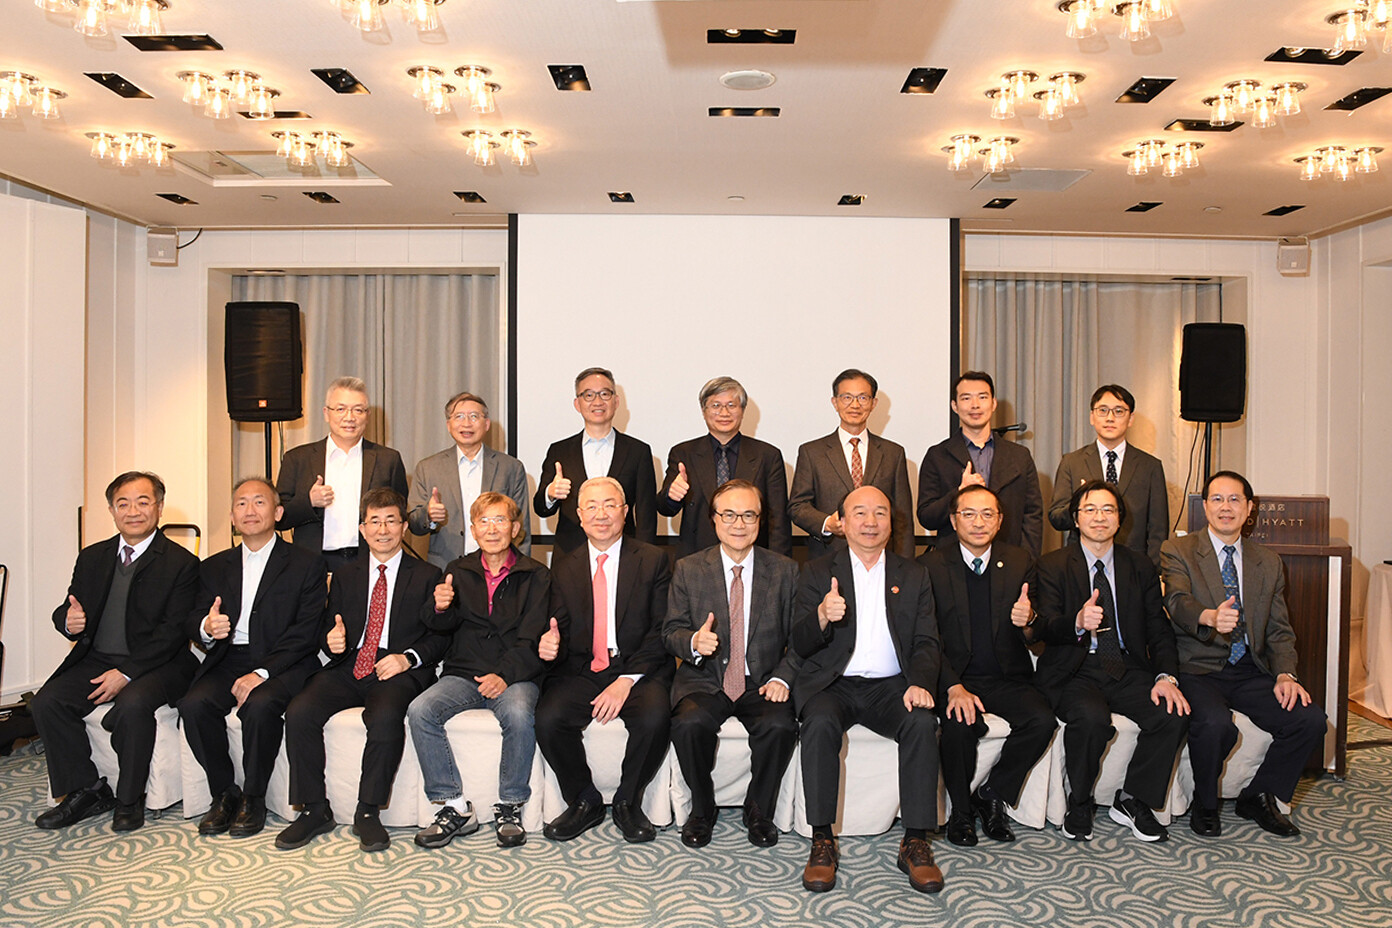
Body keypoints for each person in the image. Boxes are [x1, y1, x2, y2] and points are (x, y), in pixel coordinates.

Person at [277, 488, 447, 852]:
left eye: (391, 521)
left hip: (398, 666)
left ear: (404, 527)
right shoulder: (344, 575)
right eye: (375, 522)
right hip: (351, 662)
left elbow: (441, 636)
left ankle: (368, 810)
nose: (383, 530)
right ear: (362, 529)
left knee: (384, 716)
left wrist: (407, 658)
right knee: (300, 711)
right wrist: (332, 641)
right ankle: (313, 808)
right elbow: (330, 628)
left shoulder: (428, 575)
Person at [792, 486, 944, 894]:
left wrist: (919, 683)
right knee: (818, 723)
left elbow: (927, 641)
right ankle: (822, 839)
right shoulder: (817, 571)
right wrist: (821, 616)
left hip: (892, 686)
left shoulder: (914, 574)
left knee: (922, 723)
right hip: (834, 683)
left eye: (880, 513)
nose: (871, 522)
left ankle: (915, 841)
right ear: (842, 522)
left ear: (892, 522)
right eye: (860, 513)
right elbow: (799, 642)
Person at [1161, 471, 1327, 838]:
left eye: (1235, 499)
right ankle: (1205, 803)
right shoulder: (1179, 550)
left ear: (1249, 508)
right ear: (1205, 506)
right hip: (1198, 667)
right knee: (1215, 724)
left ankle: (1258, 795)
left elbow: (1279, 629)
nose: (1226, 507)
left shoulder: (1267, 561)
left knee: (1310, 720)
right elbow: (1176, 600)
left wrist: (1285, 674)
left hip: (1251, 669)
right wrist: (1209, 617)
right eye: (1217, 499)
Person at [31, 471, 199, 833]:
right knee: (47, 701)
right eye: (123, 504)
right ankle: (87, 790)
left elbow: (173, 633)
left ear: (159, 507)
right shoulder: (93, 557)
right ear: (111, 510)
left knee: (133, 704)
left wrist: (126, 673)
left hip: (161, 663)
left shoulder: (181, 562)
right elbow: (70, 609)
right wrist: (67, 621)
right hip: (97, 658)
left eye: (143, 502)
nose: (133, 511)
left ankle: (129, 798)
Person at [1033, 480, 1189, 843]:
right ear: (1075, 519)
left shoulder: (1139, 566)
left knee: (1173, 713)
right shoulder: (1052, 565)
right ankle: (1079, 801)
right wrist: (1076, 622)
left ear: (1120, 519)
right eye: (1089, 509)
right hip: (1075, 669)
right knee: (1091, 718)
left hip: (1126, 666)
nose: (1099, 517)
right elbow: (1042, 628)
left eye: (1108, 510)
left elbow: (1158, 628)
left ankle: (1134, 799)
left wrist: (1165, 677)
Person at [179, 477, 329, 839]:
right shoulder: (213, 566)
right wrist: (206, 626)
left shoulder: (306, 562)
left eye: (259, 502)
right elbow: (193, 616)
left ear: (278, 513)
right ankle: (224, 793)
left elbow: (306, 632)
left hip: (285, 661)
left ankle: (253, 796)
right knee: (194, 705)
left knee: (260, 706)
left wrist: (262, 672)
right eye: (241, 503)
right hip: (229, 657)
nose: (250, 510)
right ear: (232, 517)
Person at [663, 479, 801, 848]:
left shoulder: (785, 571)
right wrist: (693, 642)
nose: (739, 524)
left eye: (748, 515)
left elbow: (800, 640)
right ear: (713, 519)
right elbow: (670, 631)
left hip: (762, 679)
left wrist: (783, 678)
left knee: (780, 725)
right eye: (729, 514)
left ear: (760, 520)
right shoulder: (689, 569)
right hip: (705, 678)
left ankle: (758, 810)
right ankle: (702, 808)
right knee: (689, 723)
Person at [408, 492, 550, 850]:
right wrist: (439, 607)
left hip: (515, 675)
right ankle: (454, 806)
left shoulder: (536, 575)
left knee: (518, 713)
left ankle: (510, 805)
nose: (492, 529)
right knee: (420, 710)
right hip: (464, 672)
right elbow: (439, 626)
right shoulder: (457, 570)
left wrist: (503, 675)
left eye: (500, 520)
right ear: (473, 530)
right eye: (483, 521)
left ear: (515, 528)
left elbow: (533, 638)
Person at [534, 477, 673, 842]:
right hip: (583, 668)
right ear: (579, 516)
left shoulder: (653, 559)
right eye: (592, 507)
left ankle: (628, 800)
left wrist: (626, 680)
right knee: (549, 718)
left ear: (625, 512)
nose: (601, 514)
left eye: (610, 505)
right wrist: (551, 644)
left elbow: (661, 629)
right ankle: (585, 800)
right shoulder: (564, 566)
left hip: (637, 667)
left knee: (655, 716)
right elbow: (558, 627)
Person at [920, 485, 1056, 847]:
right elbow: (926, 639)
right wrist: (953, 686)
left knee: (1042, 721)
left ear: (999, 521)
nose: (978, 522)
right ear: (953, 520)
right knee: (958, 726)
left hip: (1006, 676)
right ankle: (961, 812)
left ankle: (992, 792)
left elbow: (1037, 631)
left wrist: (1029, 620)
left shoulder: (1020, 561)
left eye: (987, 514)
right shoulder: (931, 566)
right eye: (968, 514)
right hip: (955, 678)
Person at [276, 376, 409, 572]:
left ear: (367, 415)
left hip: (369, 562)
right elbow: (278, 519)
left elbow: (401, 513)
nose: (349, 417)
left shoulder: (388, 459)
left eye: (358, 410)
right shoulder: (297, 459)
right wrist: (308, 502)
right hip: (312, 563)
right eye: (340, 409)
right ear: (326, 413)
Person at [658, 377, 792, 558]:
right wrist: (671, 496)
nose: (724, 412)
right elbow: (664, 508)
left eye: (731, 405)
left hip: (753, 557)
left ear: (742, 410)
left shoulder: (768, 455)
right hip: (697, 558)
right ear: (703, 411)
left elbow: (779, 519)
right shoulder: (683, 453)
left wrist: (780, 564)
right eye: (716, 405)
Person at [788, 369, 913, 560]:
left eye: (863, 398)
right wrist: (827, 523)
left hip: (881, 557)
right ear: (835, 402)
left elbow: (903, 517)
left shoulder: (893, 453)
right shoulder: (812, 452)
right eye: (847, 397)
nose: (855, 405)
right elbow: (797, 506)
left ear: (873, 403)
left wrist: (906, 565)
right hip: (828, 556)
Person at [533, 367, 657, 556]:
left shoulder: (638, 451)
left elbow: (646, 515)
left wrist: (644, 559)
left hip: (625, 554)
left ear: (616, 401)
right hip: (571, 555)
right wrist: (550, 494)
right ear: (577, 404)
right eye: (589, 395)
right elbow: (541, 509)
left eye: (605, 394)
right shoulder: (560, 451)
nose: (598, 402)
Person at [918, 371, 1043, 557]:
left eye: (982, 397)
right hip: (953, 562)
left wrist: (1026, 561)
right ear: (954, 406)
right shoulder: (937, 456)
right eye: (966, 398)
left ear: (993, 403)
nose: (975, 405)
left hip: (1009, 559)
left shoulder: (1019, 456)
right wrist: (959, 491)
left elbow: (1032, 515)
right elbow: (927, 517)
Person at [1049, 384, 1170, 571]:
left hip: (1133, 566)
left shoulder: (1150, 466)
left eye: (1119, 411)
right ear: (1092, 417)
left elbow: (1158, 530)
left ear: (1131, 419)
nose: (1110, 418)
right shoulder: (1072, 462)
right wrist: (1079, 501)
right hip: (1081, 564)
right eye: (1103, 410)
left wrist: (1152, 572)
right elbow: (1056, 518)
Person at [407, 391, 531, 567]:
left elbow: (522, 528)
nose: (466, 423)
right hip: (445, 567)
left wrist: (521, 571)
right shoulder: (427, 468)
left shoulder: (510, 468)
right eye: (459, 416)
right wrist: (428, 515)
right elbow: (413, 524)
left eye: (474, 416)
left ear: (486, 424)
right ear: (448, 425)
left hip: (498, 568)